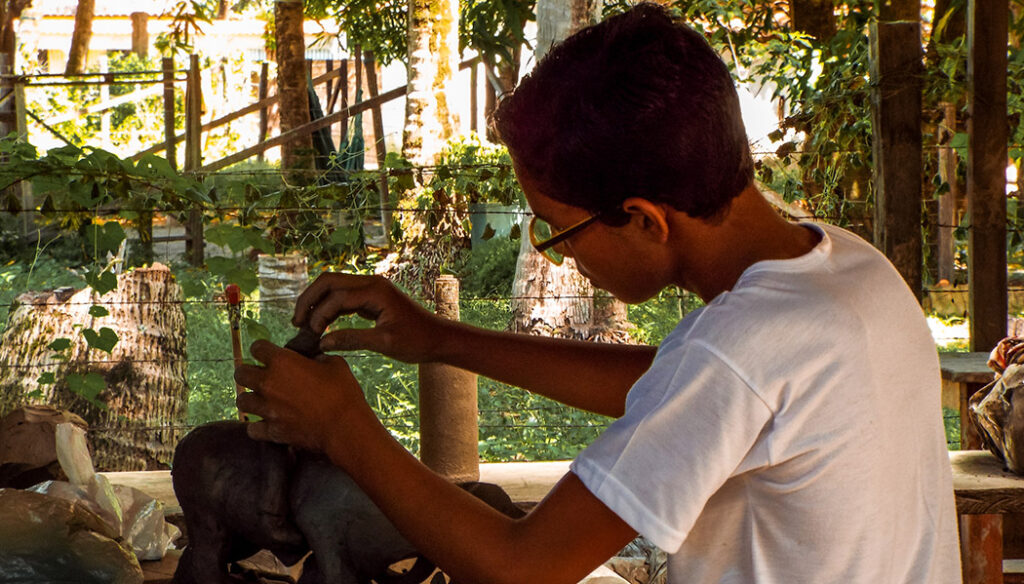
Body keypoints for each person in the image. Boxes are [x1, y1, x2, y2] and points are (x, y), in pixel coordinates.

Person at [235, 4, 962, 582]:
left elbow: (521, 569)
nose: (559, 255)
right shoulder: (846, 269)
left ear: (645, 219)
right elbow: (675, 386)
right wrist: (443, 340)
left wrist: (345, 429)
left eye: (559, 230)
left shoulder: (743, 348)